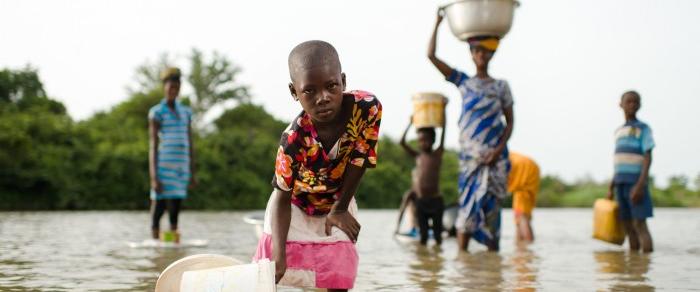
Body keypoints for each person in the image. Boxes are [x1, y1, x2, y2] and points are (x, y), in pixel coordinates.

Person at [253, 40, 382, 291]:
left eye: (331, 86)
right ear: (294, 92)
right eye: (309, 91)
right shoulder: (293, 139)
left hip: (337, 200)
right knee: (273, 271)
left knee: (340, 271)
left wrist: (340, 208)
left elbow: (360, 158)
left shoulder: (367, 109)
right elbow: (282, 198)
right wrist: (279, 255)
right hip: (295, 207)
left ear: (343, 81)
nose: (323, 98)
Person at [428, 8, 514, 252]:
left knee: (492, 215)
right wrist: (437, 24)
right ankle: (464, 268)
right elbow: (431, 56)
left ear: (491, 55)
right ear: (472, 54)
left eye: (486, 52)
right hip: (470, 159)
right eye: (477, 51)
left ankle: (491, 273)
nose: (481, 56)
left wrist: (497, 151)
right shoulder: (464, 82)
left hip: (495, 159)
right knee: (465, 214)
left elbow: (510, 123)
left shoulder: (501, 87)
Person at [148, 67, 196, 243]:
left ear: (179, 88)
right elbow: (153, 145)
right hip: (163, 166)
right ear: (164, 88)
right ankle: (154, 240)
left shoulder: (186, 112)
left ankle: (171, 242)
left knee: (176, 205)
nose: (173, 91)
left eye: (176, 88)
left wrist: (192, 172)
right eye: (170, 88)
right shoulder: (156, 112)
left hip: (181, 167)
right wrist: (154, 177)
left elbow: (191, 143)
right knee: (159, 205)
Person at [606, 90, 654, 253]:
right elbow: (619, 160)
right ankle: (634, 269)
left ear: (640, 105)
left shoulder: (643, 128)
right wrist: (611, 186)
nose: (632, 105)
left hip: (636, 183)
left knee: (639, 223)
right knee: (627, 225)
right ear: (621, 104)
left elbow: (647, 156)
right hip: (620, 183)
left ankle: (646, 266)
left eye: (635, 102)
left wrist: (640, 185)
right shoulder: (618, 131)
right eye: (629, 101)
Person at [396, 112, 447, 246]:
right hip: (421, 202)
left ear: (433, 141)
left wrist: (444, 111)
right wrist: (410, 123)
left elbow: (444, 131)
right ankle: (424, 262)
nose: (423, 143)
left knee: (438, 236)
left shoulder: (437, 154)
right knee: (423, 237)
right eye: (420, 140)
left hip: (436, 202)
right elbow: (401, 142)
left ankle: (436, 262)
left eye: (426, 140)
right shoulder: (418, 156)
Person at [507, 152, 540, 242]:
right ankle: (524, 247)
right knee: (523, 214)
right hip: (531, 167)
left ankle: (527, 247)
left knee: (521, 215)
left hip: (523, 170)